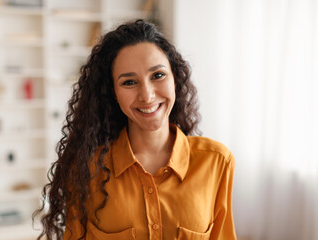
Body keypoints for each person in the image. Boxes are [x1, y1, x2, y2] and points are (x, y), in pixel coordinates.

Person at [34, 19, 236, 240]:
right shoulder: (86, 170)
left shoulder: (216, 161)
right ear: (113, 93)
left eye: (158, 75)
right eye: (129, 82)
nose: (147, 95)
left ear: (175, 79)